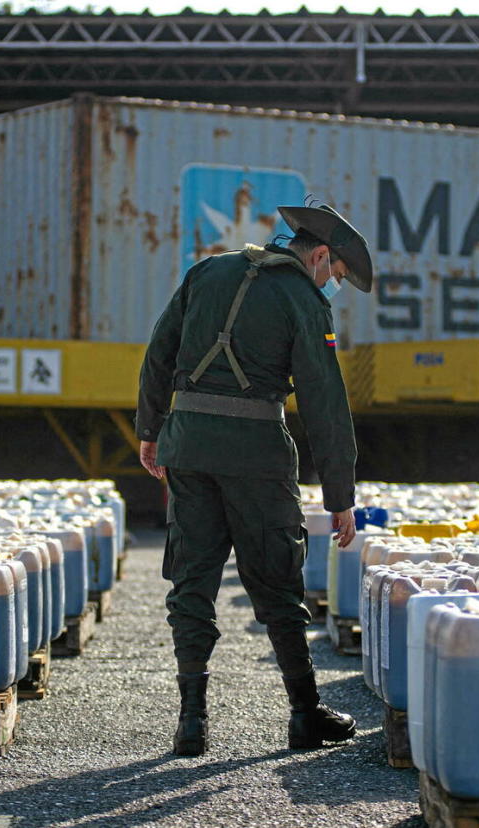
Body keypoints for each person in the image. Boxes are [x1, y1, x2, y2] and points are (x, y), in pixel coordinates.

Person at [135, 203, 369, 756]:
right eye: (335, 275)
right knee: (278, 581)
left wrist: (151, 429)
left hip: (187, 446)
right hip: (257, 457)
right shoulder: (304, 301)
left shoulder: (206, 272)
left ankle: (191, 723)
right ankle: (304, 715)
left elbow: (158, 353)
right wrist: (340, 496)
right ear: (318, 256)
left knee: (192, 578)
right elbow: (325, 405)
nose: (332, 286)